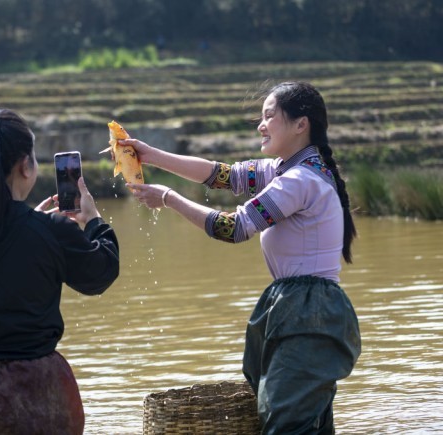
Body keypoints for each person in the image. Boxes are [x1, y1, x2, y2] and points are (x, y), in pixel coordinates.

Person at [123, 82, 361, 434]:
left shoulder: (299, 180)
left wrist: (170, 199)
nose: (261, 125)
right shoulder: (287, 169)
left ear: (301, 124)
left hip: (309, 312)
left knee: (287, 423)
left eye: (269, 117)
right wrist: (149, 155)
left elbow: (232, 228)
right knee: (303, 421)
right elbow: (222, 175)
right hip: (300, 307)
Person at [0, 108, 120, 434]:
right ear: (25, 167)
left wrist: (33, 223)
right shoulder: (47, 231)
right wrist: (93, 221)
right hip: (28, 388)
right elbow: (100, 272)